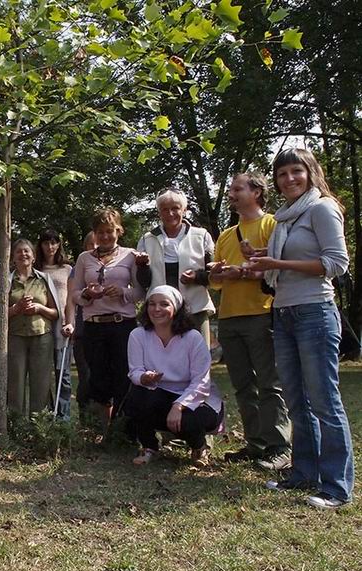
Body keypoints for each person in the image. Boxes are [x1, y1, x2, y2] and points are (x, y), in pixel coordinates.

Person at [249, 148, 354, 509]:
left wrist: (277, 261)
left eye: (296, 171)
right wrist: (262, 258)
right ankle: (304, 473)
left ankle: (337, 488)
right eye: (282, 174)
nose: (289, 179)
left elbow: (336, 263)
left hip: (315, 312)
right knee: (297, 400)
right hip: (284, 312)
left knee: (325, 401)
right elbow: (285, 264)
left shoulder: (322, 208)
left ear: (310, 172)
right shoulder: (284, 219)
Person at [209, 173, 291, 470]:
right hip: (229, 317)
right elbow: (216, 282)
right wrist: (217, 272)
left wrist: (242, 272)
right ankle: (256, 445)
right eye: (230, 189)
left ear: (256, 192)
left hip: (261, 313)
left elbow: (277, 270)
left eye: (236, 189)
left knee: (269, 383)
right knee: (243, 386)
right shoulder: (227, 234)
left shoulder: (272, 225)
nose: (231, 194)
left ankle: (280, 447)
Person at [125, 286, 224, 466]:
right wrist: (144, 377)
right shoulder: (138, 335)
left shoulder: (192, 337)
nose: (157, 309)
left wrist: (179, 406)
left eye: (164, 304)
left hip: (197, 398)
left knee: (190, 421)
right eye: (152, 304)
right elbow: (134, 371)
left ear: (176, 308)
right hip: (159, 393)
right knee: (136, 395)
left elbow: (202, 382)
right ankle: (149, 447)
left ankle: (199, 447)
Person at [70, 208, 143, 428]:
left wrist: (122, 292)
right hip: (94, 326)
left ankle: (123, 430)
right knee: (98, 379)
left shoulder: (130, 255)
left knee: (123, 376)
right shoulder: (84, 258)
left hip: (122, 324)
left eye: (109, 231)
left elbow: (140, 292)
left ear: (118, 231)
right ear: (94, 233)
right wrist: (87, 294)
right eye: (100, 232)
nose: (105, 236)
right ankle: (102, 430)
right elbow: (74, 294)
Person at [136, 189, 216, 345]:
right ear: (159, 212)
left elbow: (213, 276)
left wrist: (196, 277)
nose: (170, 213)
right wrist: (142, 266)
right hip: (160, 313)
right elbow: (144, 283)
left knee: (199, 359)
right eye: (165, 209)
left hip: (195, 309)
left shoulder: (201, 236)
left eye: (175, 208)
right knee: (162, 360)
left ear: (184, 210)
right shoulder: (148, 239)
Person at [7, 239, 62, 415]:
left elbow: (55, 313)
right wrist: (16, 309)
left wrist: (39, 308)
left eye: (27, 251)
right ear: (13, 257)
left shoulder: (43, 279)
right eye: (18, 252)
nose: (23, 254)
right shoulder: (6, 281)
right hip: (15, 337)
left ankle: (38, 428)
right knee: (15, 383)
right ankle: (16, 425)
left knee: (41, 383)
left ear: (33, 256)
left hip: (42, 337)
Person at [35, 228, 74, 419]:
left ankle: (63, 418)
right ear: (40, 245)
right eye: (46, 243)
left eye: (53, 242)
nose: (50, 247)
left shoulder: (67, 269)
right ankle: (45, 414)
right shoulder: (36, 269)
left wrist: (70, 321)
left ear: (58, 245)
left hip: (62, 326)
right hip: (41, 324)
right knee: (42, 374)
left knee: (63, 374)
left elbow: (71, 300)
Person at [70, 231, 96, 421]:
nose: (95, 248)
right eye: (91, 245)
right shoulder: (78, 268)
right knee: (86, 377)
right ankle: (86, 420)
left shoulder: (115, 266)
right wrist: (69, 323)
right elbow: (71, 300)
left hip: (109, 329)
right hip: (83, 331)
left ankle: (108, 424)